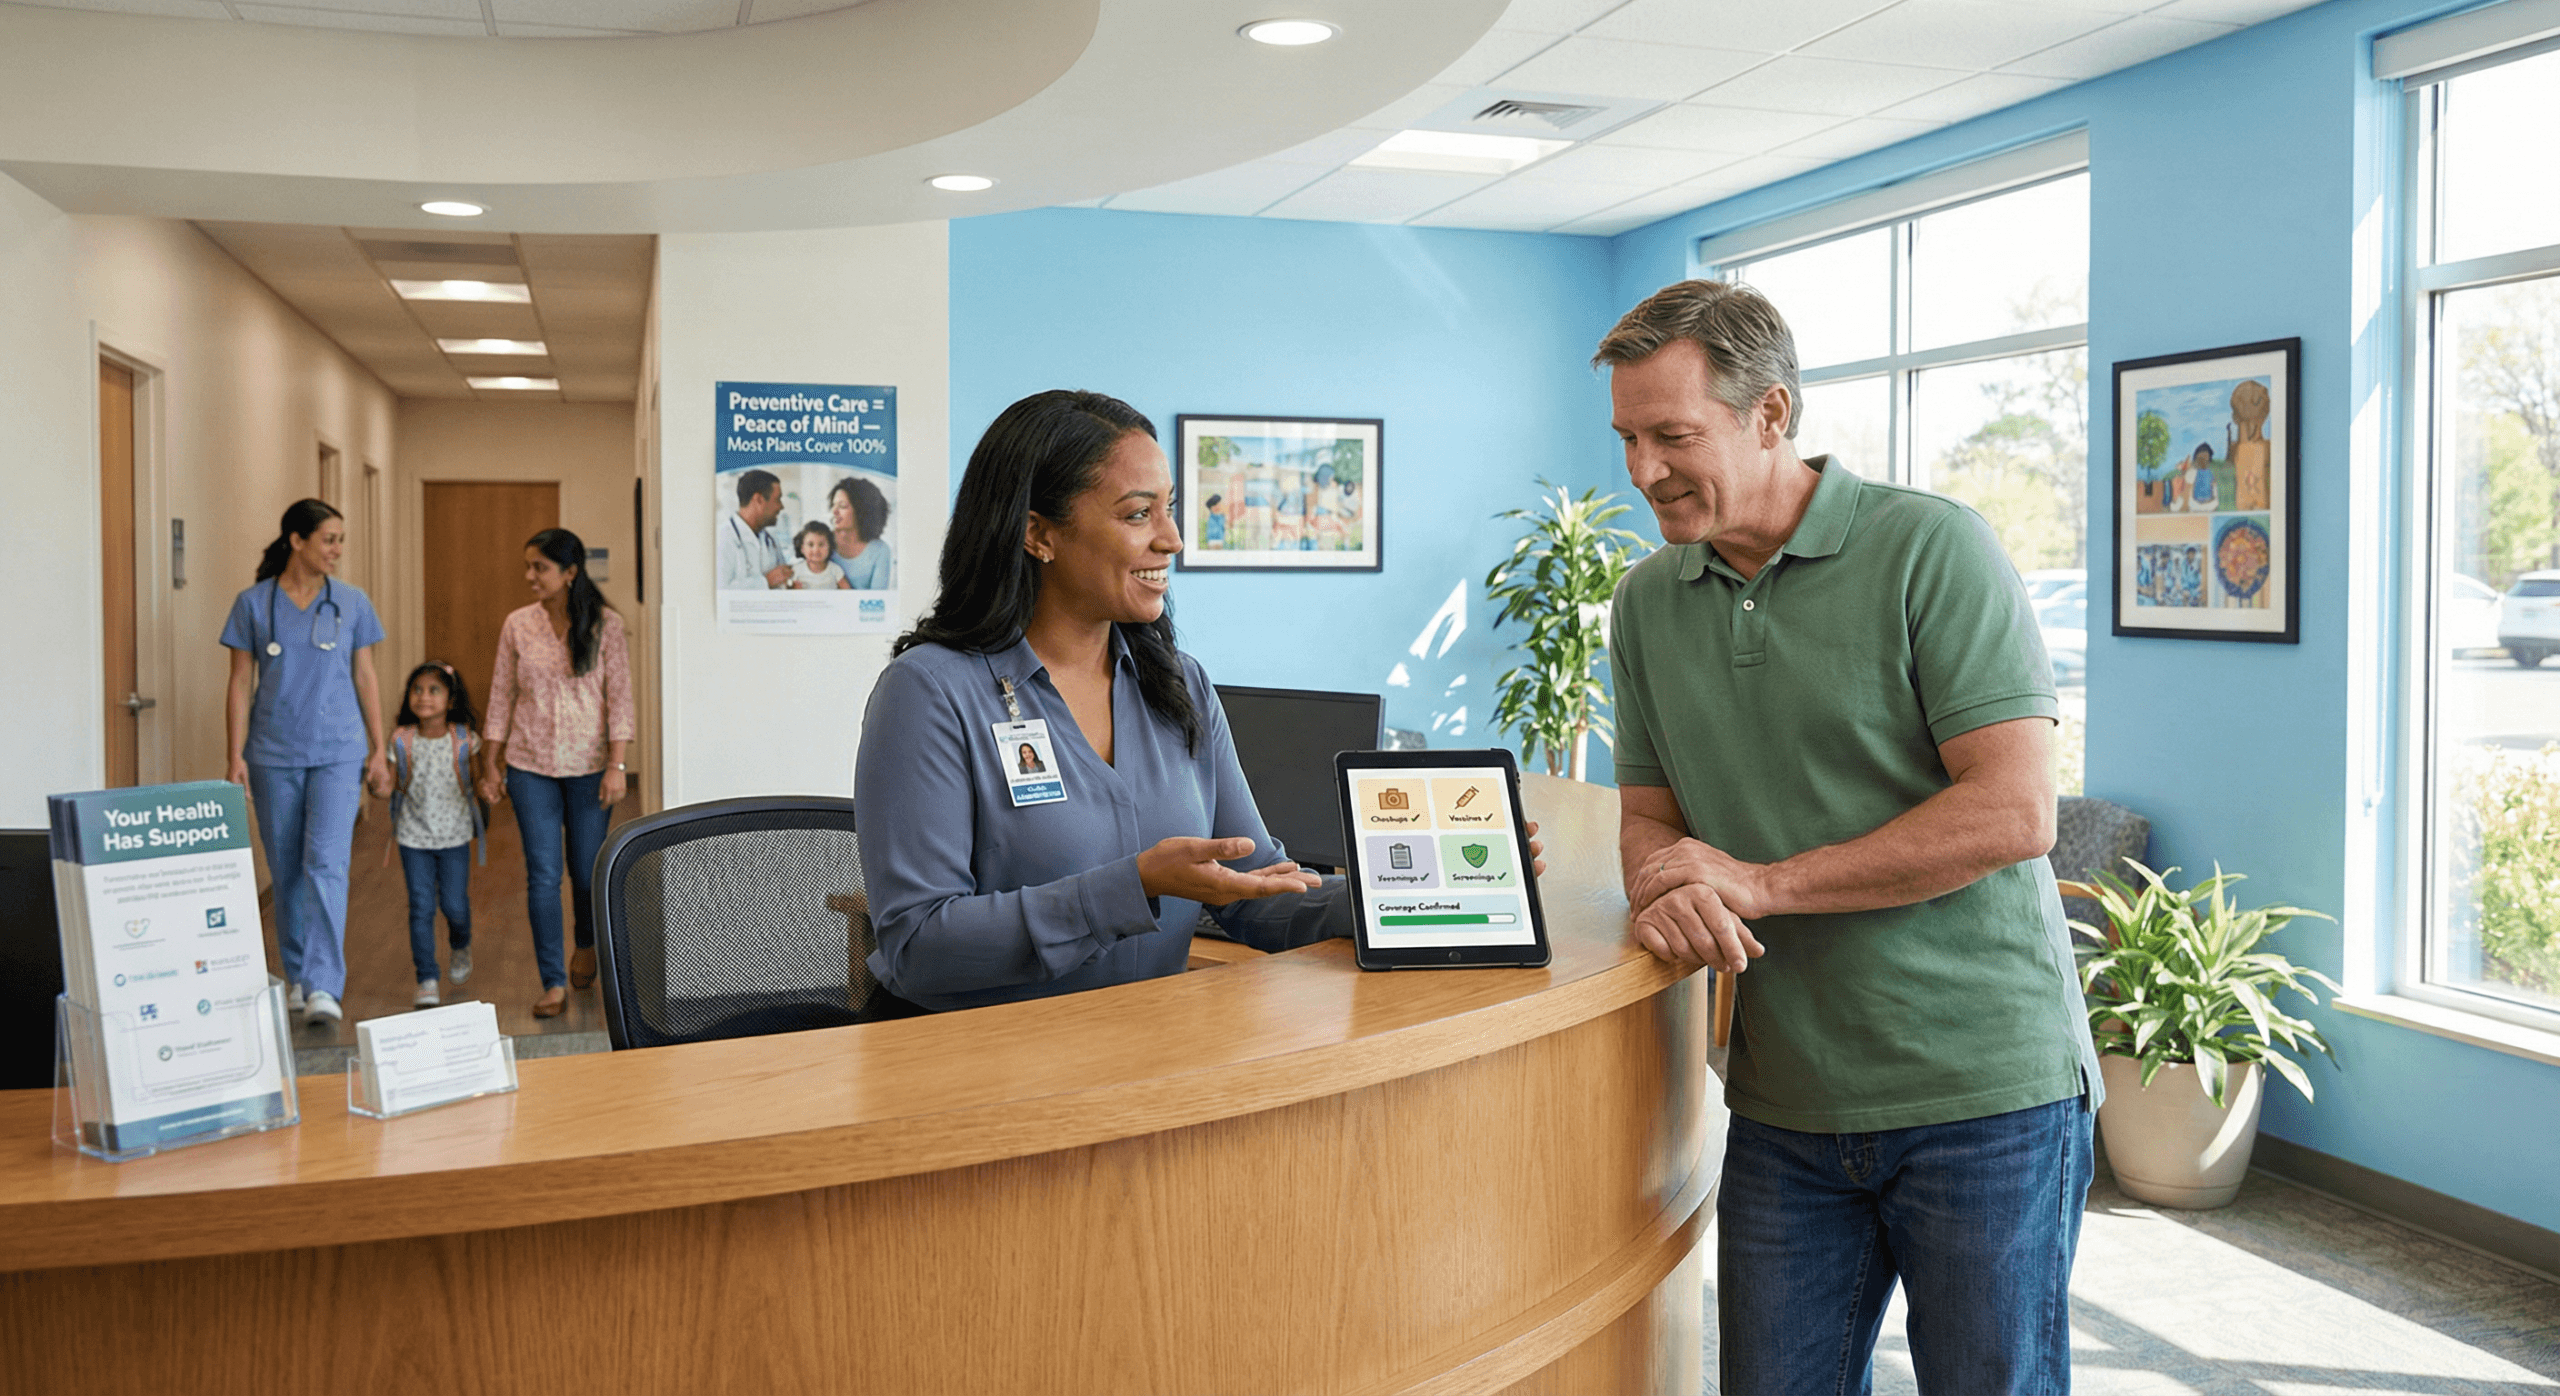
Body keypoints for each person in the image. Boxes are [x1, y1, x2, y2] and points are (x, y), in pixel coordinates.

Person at [1594, 280, 2098, 1395]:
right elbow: (1648, 816)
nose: (1641, 471)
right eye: (1627, 436)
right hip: (1784, 1096)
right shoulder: (1645, 602)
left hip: (1983, 1089)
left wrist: (1760, 884)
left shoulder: (1931, 548)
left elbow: (2014, 811)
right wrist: (1660, 887)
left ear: (1770, 414)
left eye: (1671, 436)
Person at [852, 390, 1350, 1014]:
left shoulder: (1181, 686)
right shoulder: (929, 692)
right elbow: (918, 947)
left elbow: (1257, 891)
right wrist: (1131, 887)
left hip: (1138, 1061)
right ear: (1038, 534)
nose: (1171, 540)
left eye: (1168, 510)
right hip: (976, 1073)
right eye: (1138, 514)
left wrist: (1433, 893)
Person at [219, 498, 390, 1027]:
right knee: (288, 867)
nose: (337, 550)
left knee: (326, 864)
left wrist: (379, 748)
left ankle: (322, 985)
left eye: (340, 539)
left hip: (338, 751)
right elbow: (239, 683)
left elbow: (366, 677)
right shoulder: (254, 604)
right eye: (328, 539)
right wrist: (234, 757)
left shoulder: (352, 602)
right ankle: (296, 976)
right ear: (297, 540)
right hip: (272, 753)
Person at [478, 528, 634, 1018]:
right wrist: (490, 759)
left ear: (569, 573)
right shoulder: (518, 625)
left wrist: (617, 765)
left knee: (587, 872)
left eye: (539, 568)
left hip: (590, 768)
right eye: (528, 566)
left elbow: (620, 699)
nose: (530, 577)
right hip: (530, 766)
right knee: (542, 875)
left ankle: (586, 945)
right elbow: (501, 693)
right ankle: (551, 981)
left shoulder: (606, 626)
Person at [386, 662, 485, 1008]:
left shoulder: (464, 740)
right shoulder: (401, 739)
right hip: (412, 837)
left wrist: (489, 787)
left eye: (434, 690)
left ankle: (461, 944)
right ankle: (426, 976)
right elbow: (388, 783)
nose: (423, 697)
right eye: (417, 689)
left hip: (455, 836)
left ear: (451, 697)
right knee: (421, 907)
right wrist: (377, 785)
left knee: (455, 905)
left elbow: (478, 780)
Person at [718, 468, 792, 590]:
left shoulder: (771, 539)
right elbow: (720, 593)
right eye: (777, 499)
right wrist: (766, 581)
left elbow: (783, 581)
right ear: (759, 499)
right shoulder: (723, 537)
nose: (781, 507)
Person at [829, 475, 895, 590]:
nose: (834, 511)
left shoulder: (880, 551)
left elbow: (877, 601)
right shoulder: (822, 542)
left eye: (842, 506)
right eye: (833, 505)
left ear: (862, 511)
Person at [788, 521, 851, 590]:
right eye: (810, 545)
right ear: (802, 549)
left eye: (821, 544)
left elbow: (848, 592)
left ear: (829, 547)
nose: (816, 550)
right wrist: (793, 588)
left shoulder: (835, 570)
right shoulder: (797, 570)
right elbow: (787, 591)